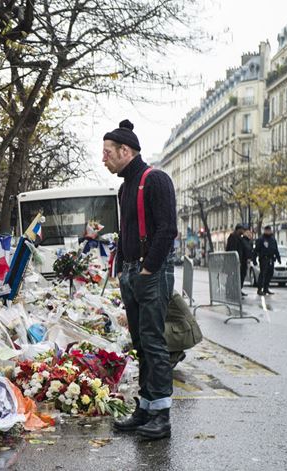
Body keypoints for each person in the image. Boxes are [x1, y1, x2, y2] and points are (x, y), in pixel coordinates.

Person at [103, 120, 177, 440]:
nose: (103, 158)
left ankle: (161, 414)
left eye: (107, 153)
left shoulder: (155, 179)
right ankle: (146, 407)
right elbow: (126, 232)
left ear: (125, 150)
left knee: (154, 343)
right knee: (141, 343)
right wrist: (121, 267)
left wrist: (147, 269)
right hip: (132, 272)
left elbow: (167, 229)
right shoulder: (124, 187)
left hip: (152, 272)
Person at [254, 226, 281, 296]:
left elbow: (275, 249)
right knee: (263, 274)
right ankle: (259, 289)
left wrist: (278, 258)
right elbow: (256, 250)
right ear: (265, 231)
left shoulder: (272, 239)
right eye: (267, 230)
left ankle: (266, 288)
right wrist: (254, 259)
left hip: (271, 258)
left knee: (270, 274)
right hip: (264, 259)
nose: (269, 232)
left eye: (269, 230)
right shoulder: (261, 239)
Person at [225, 224, 249, 296]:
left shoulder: (240, 237)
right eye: (242, 229)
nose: (243, 231)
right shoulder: (233, 237)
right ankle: (230, 291)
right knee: (232, 277)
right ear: (238, 229)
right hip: (234, 261)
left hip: (240, 260)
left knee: (240, 276)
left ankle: (238, 290)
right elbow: (233, 249)